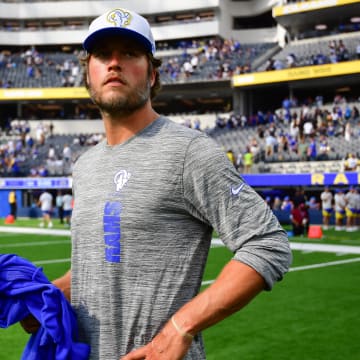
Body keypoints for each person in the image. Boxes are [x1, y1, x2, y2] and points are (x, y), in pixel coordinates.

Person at [21, 8, 292, 360]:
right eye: (103, 55)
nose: (114, 63)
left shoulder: (188, 152)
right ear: (88, 73)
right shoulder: (84, 166)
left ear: (152, 73)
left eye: (130, 53)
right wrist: (50, 296)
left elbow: (268, 243)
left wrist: (183, 326)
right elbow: (101, 262)